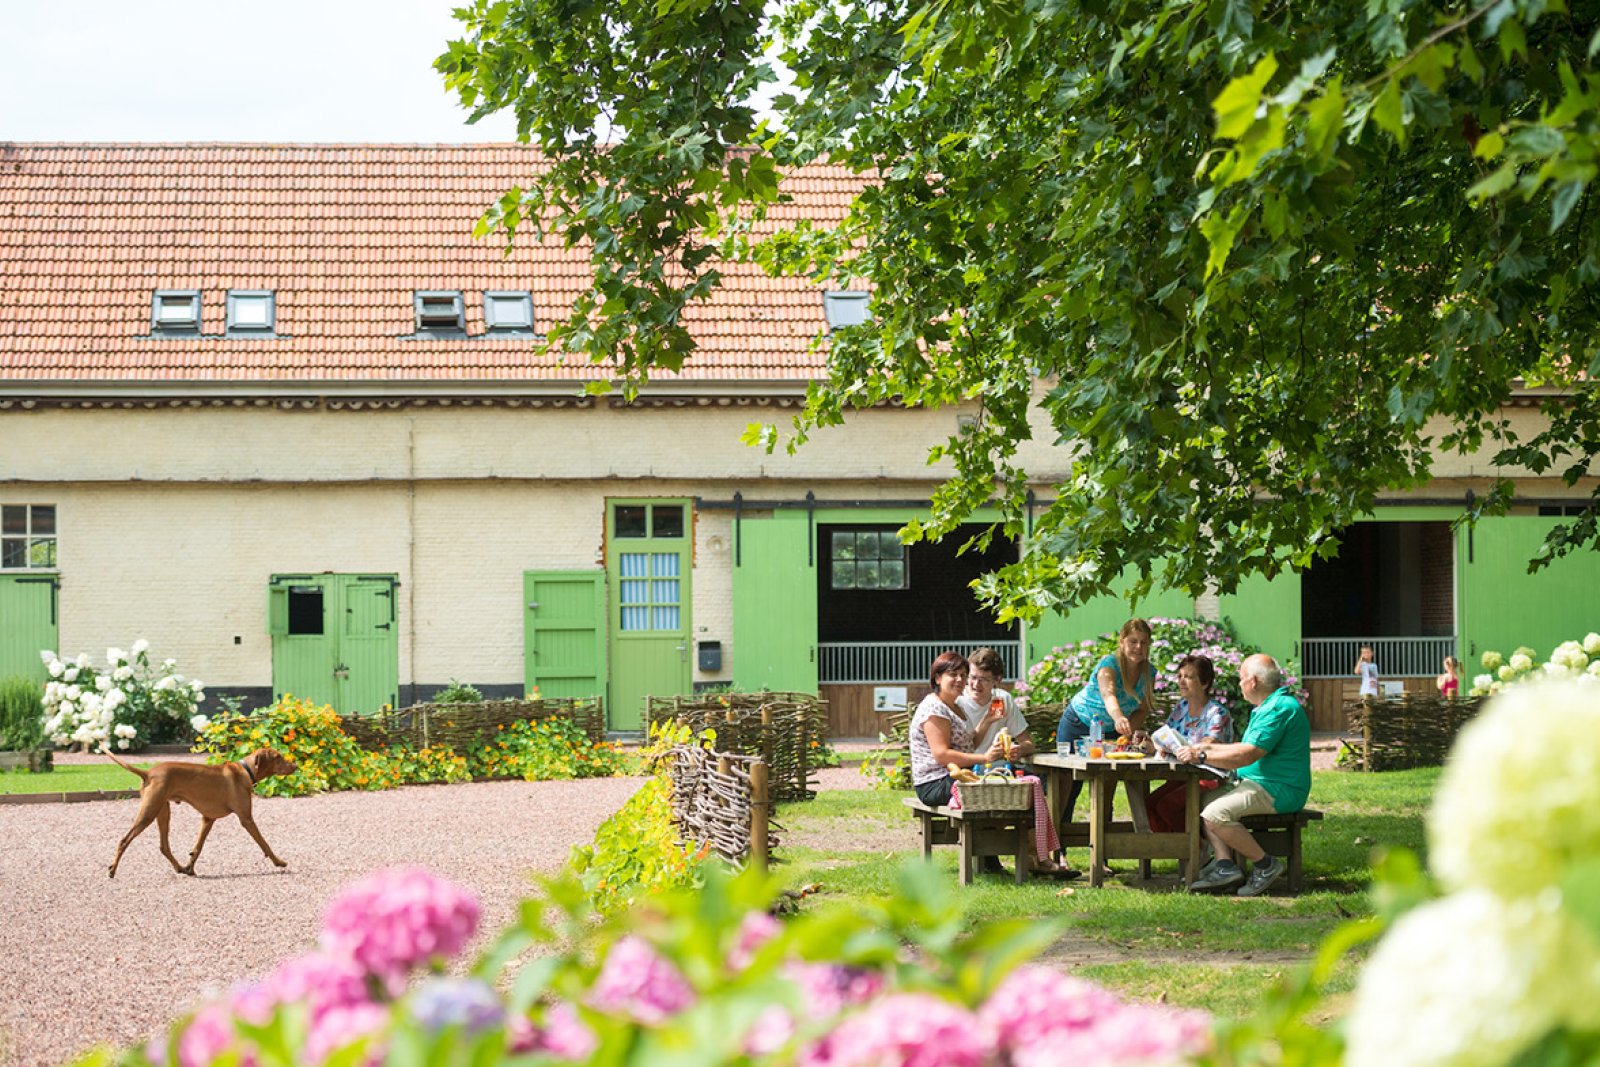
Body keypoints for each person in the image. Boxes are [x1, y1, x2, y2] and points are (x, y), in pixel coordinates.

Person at [1180, 654, 1311, 897]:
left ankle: (1265, 864)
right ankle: (1225, 866)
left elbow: (1247, 754)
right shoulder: (1267, 707)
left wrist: (1201, 756)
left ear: (1253, 681)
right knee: (1205, 799)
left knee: (1215, 814)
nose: (1239, 683)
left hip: (1278, 790)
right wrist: (1203, 749)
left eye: (1241, 678)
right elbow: (1242, 747)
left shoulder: (1279, 709)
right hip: (1259, 785)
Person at [1054, 619, 1156, 864]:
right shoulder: (1108, 664)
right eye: (1132, 642)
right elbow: (1109, 694)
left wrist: (1131, 725)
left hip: (1110, 730)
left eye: (1143, 642)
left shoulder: (1149, 671)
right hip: (1079, 722)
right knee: (1067, 786)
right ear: (1122, 642)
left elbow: (1143, 708)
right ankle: (1058, 852)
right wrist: (1120, 716)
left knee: (1106, 789)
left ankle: (1101, 855)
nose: (1138, 647)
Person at [1146, 654, 1232, 834]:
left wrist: (1188, 748)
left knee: (1167, 805)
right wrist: (1151, 743)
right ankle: (1179, 849)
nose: (1182, 682)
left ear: (1205, 683)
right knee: (1148, 804)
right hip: (1182, 775)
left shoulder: (1217, 712)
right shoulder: (1181, 707)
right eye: (1180, 676)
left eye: (1189, 677)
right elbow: (1168, 736)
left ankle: (1198, 849)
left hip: (1209, 777)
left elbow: (1210, 744)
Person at [910, 651, 1002, 808]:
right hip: (935, 783)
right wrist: (985, 758)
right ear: (938, 678)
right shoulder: (934, 708)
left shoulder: (954, 706)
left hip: (953, 776)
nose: (959, 679)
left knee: (1003, 782)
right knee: (996, 791)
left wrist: (987, 720)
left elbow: (969, 744)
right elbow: (942, 755)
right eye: (953, 674)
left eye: (963, 675)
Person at [958, 647, 1035, 767]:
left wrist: (1019, 749)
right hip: (969, 771)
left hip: (1001, 771)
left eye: (984, 679)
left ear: (997, 680)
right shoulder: (958, 700)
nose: (976, 685)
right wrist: (987, 720)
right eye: (972, 677)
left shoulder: (1002, 699)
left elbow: (1028, 743)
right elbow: (959, 751)